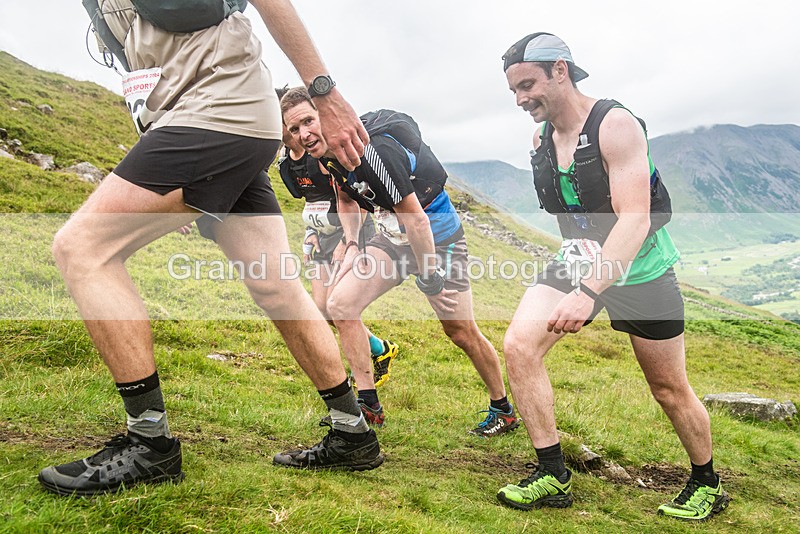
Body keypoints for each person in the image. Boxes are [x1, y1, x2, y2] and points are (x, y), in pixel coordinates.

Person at [37, 0, 384, 496]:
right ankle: (352, 433)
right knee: (278, 288)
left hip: (220, 113)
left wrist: (324, 94)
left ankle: (149, 443)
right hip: (224, 120)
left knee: (82, 250)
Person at [496, 32, 729, 521]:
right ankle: (552, 474)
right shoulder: (540, 137)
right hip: (578, 259)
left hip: (640, 269)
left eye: (528, 85)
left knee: (668, 387)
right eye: (514, 90)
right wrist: (579, 277)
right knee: (520, 346)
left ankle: (707, 481)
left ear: (561, 69)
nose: (521, 99)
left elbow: (636, 218)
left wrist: (588, 293)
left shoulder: (615, 124)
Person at [281, 88, 519, 434]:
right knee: (340, 304)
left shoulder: (374, 152)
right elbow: (348, 201)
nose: (303, 134)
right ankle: (368, 405)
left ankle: (503, 409)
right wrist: (350, 243)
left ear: (326, 115)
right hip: (392, 236)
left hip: (437, 237)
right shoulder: (328, 156)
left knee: (460, 330)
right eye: (294, 129)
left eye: (308, 121)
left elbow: (417, 220)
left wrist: (430, 275)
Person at [276, 108, 399, 389]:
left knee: (339, 306)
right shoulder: (285, 163)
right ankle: (380, 349)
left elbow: (354, 197)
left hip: (349, 235)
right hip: (322, 237)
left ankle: (362, 376)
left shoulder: (319, 155)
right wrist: (311, 233)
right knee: (323, 309)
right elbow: (310, 201)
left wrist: (348, 241)